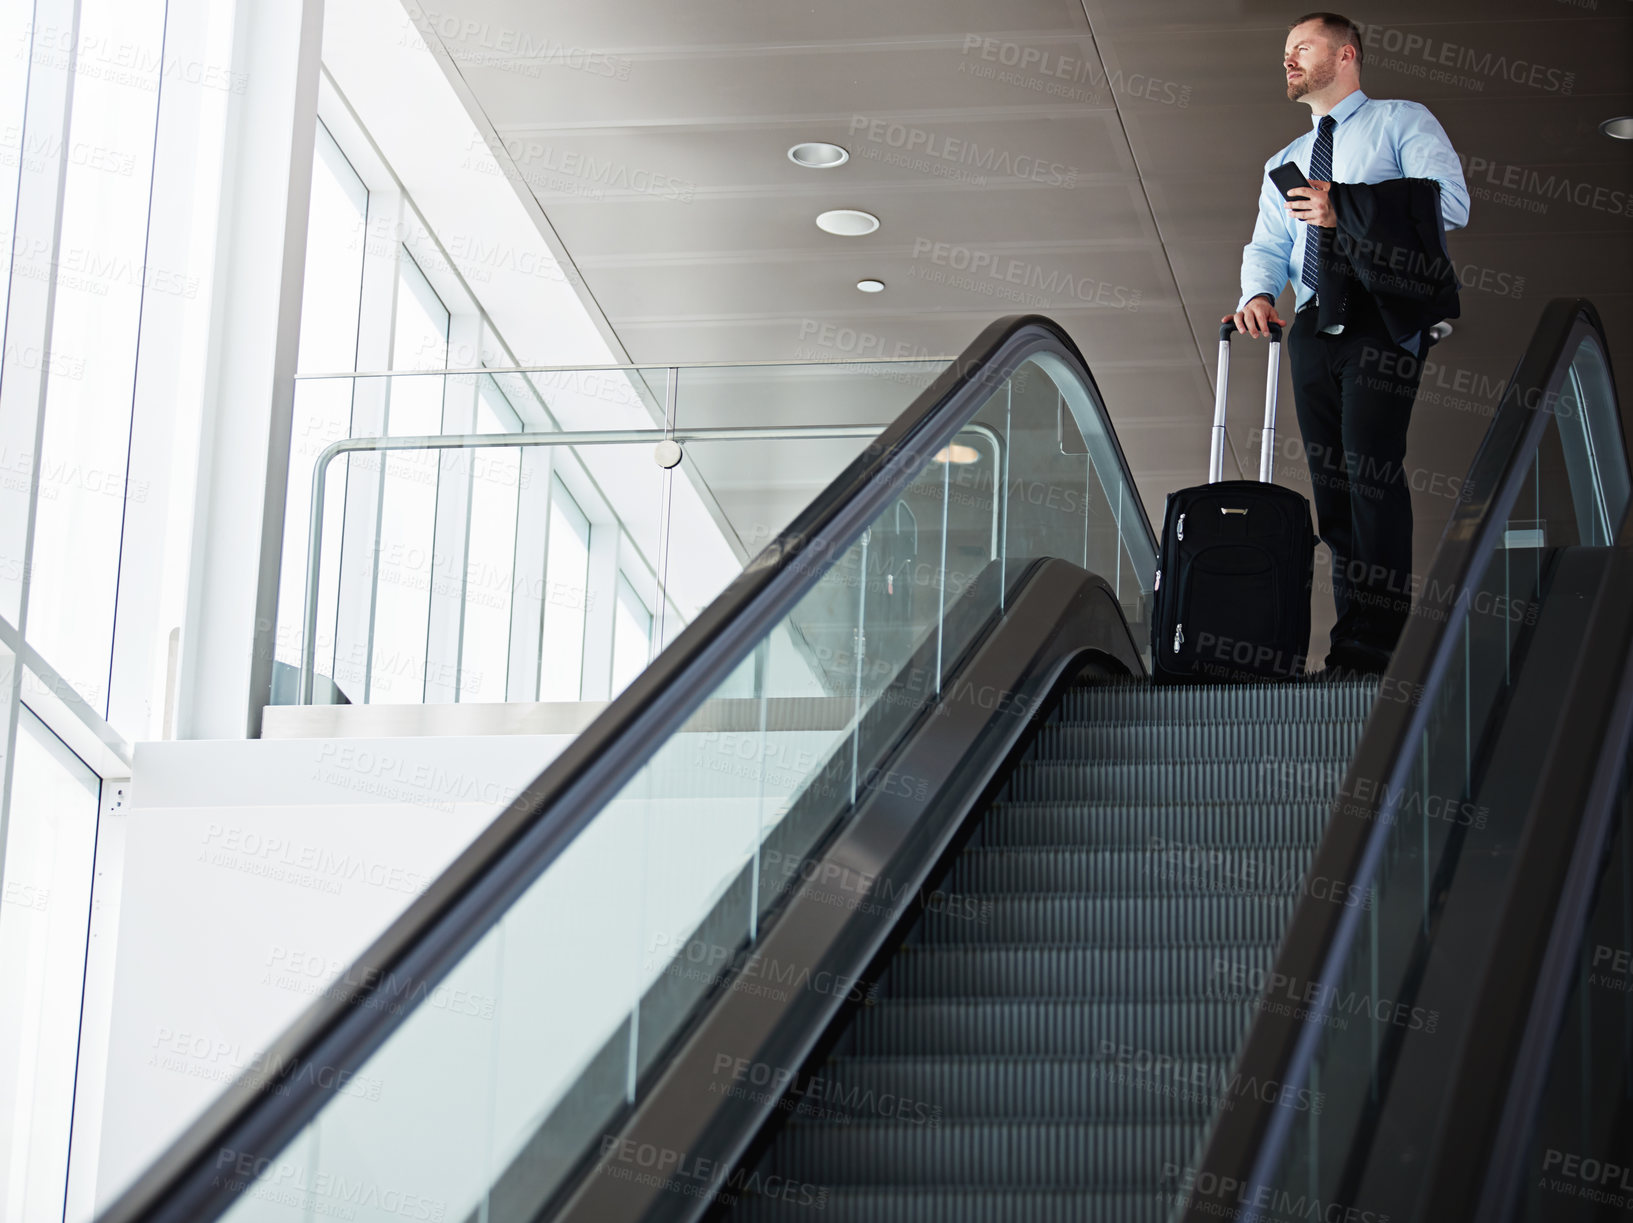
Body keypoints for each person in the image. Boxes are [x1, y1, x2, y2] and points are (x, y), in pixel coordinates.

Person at [1225, 12, 1469, 677]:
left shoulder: (1399, 121)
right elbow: (1269, 243)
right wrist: (1256, 295)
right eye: (1283, 51)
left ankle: (1377, 648)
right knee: (1333, 492)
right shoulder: (1284, 161)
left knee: (1370, 474)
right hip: (1311, 322)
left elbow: (1448, 201)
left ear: (1346, 55)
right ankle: (1352, 644)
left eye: (1301, 47)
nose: (1287, 59)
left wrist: (1346, 207)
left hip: (1378, 315)